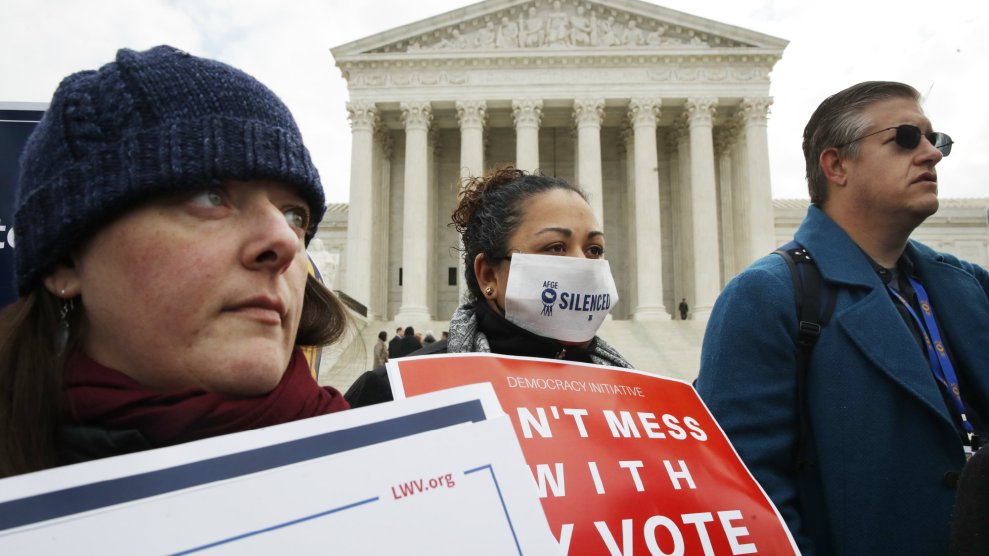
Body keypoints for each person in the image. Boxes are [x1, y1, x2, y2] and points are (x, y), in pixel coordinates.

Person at [0, 45, 351, 478]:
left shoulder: (396, 479)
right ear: (66, 261)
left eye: (295, 215)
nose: (286, 241)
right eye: (210, 196)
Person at [695, 81, 989, 555]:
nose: (932, 154)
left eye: (936, 140)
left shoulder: (969, 285)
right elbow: (748, 494)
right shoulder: (768, 295)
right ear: (836, 166)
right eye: (906, 138)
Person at [345, 167, 631, 407]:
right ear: (489, 276)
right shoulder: (392, 395)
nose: (583, 265)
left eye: (594, 250)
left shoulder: (634, 395)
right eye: (556, 247)